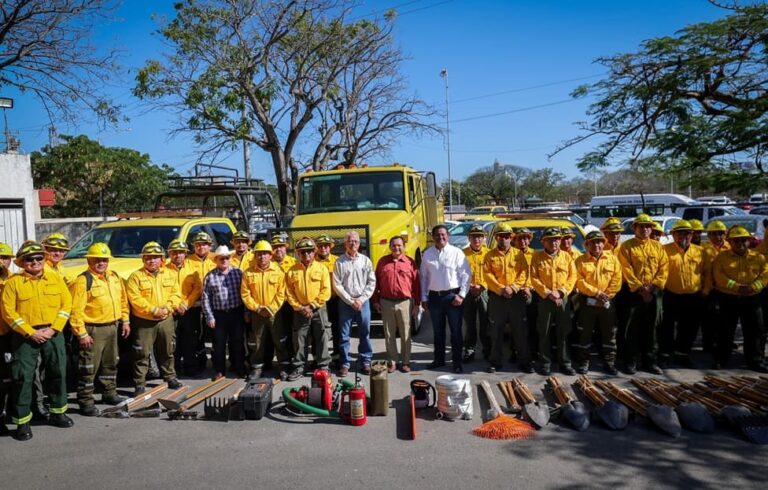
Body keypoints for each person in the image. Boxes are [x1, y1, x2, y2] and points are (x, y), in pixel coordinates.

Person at [1, 241, 73, 441]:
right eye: (29, 259)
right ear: (22, 262)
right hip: (25, 336)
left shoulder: (56, 279)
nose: (35, 262)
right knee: (22, 378)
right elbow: (8, 312)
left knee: (58, 371)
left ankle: (58, 413)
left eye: (39, 258)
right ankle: (22, 422)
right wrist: (30, 332)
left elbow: (66, 304)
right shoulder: (13, 283)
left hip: (53, 333)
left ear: (44, 259)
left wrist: (54, 329)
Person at [69, 243, 130, 416]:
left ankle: (109, 393)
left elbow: (123, 301)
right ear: (89, 260)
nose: (101, 263)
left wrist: (125, 320)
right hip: (92, 330)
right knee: (88, 367)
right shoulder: (83, 280)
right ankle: (86, 401)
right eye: (97, 260)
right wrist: (81, 333)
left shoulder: (114, 277)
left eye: (104, 260)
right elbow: (75, 311)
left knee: (111, 363)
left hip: (112, 327)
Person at [126, 242, 183, 395]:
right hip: (144, 321)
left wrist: (168, 308)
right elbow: (135, 299)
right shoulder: (136, 277)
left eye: (155, 258)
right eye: (148, 258)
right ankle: (140, 383)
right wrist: (153, 310)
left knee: (168, 350)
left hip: (166, 319)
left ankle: (170, 377)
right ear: (143, 260)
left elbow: (176, 294)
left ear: (162, 259)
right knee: (141, 353)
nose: (152, 261)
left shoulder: (169, 274)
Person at [617, 214, 669, 375]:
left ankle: (650, 361)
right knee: (632, 327)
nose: (645, 229)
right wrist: (641, 288)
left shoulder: (658, 247)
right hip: (634, 293)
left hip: (654, 292)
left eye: (648, 226)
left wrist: (652, 288)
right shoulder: (626, 247)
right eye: (641, 226)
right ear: (634, 228)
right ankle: (631, 361)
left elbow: (664, 269)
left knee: (652, 327)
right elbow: (626, 270)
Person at [712, 225, 768, 372]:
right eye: (736, 241)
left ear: (749, 241)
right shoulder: (721, 258)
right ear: (729, 242)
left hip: (752, 298)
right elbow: (719, 276)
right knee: (725, 330)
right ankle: (721, 359)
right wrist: (737, 287)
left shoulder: (758, 257)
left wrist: (753, 287)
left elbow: (765, 275)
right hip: (728, 298)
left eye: (744, 240)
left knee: (755, 330)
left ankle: (755, 360)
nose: (740, 244)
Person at [420, 225, 471, 373]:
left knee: (456, 331)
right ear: (433, 236)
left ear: (447, 236)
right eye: (437, 235)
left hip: (453, 297)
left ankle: (456, 362)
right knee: (438, 331)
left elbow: (466, 275)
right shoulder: (427, 254)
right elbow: (423, 277)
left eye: (443, 235)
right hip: (435, 298)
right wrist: (424, 297)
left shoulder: (457, 253)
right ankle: (439, 360)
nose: (440, 237)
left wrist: (461, 295)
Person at [483, 223, 532, 373]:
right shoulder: (489, 255)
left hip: (516, 297)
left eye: (506, 236)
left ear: (511, 238)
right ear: (496, 238)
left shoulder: (519, 254)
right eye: (500, 236)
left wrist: (514, 287)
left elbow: (524, 272)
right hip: (498, 297)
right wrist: (500, 288)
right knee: (495, 331)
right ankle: (495, 361)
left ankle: (524, 361)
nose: (504, 239)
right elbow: (487, 275)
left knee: (520, 331)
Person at [574, 231, 622, 375]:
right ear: (587, 244)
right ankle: (584, 361)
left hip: (607, 302)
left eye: (599, 242)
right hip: (587, 302)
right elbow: (579, 281)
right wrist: (597, 293)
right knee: (585, 332)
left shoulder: (612, 259)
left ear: (603, 243)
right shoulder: (580, 261)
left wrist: (606, 295)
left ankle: (609, 362)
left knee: (609, 333)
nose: (596, 244)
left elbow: (617, 279)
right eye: (593, 242)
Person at [530, 228, 577, 375]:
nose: (554, 242)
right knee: (544, 332)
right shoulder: (537, 257)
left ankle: (565, 362)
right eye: (550, 240)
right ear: (543, 241)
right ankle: (545, 363)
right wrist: (549, 293)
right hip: (545, 299)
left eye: (556, 239)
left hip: (563, 298)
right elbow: (534, 278)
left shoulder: (567, 257)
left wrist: (561, 292)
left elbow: (572, 276)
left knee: (564, 331)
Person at [285, 237, 331, 381]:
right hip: (300, 311)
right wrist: (300, 307)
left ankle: (323, 366)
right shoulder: (292, 271)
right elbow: (289, 292)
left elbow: (326, 290)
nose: (306, 255)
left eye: (309, 252)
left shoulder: (321, 268)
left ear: (314, 252)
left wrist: (311, 305)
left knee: (322, 336)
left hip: (318, 309)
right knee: (299, 338)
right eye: (303, 252)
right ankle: (299, 366)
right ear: (298, 254)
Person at [659, 220, 704, 369]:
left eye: (687, 233)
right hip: (671, 295)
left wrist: (706, 291)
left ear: (692, 235)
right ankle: (665, 355)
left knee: (689, 328)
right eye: (679, 233)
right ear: (673, 235)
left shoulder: (700, 252)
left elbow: (707, 273)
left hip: (694, 296)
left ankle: (682, 355)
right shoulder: (664, 250)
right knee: (666, 327)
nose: (683, 236)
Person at [373, 235, 420, 373]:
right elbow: (376, 283)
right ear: (390, 247)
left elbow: (417, 284)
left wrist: (417, 304)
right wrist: (375, 300)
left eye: (399, 245)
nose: (396, 248)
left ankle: (405, 362)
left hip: (404, 302)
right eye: (393, 245)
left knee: (406, 333)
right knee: (389, 334)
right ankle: (392, 361)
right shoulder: (382, 262)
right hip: (386, 302)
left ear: (404, 247)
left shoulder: (410, 263)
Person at [241, 240, 288, 379]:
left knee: (279, 340)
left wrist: (271, 308)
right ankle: (257, 368)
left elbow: (282, 293)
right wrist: (256, 308)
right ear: (255, 256)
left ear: (270, 256)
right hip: (257, 313)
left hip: (274, 313)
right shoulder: (248, 273)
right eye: (259, 254)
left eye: (265, 254)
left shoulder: (278, 271)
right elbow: (245, 293)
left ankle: (283, 367)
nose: (262, 257)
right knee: (257, 341)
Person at [333, 231, 376, 377]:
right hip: (346, 303)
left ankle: (365, 361)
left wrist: (361, 299)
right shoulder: (339, 262)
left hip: (363, 302)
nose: (353, 244)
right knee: (344, 335)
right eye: (350, 241)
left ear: (359, 244)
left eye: (356, 241)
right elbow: (337, 285)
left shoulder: (365, 261)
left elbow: (371, 282)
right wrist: (351, 301)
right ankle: (345, 364)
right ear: (345, 243)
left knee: (365, 333)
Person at [202, 245, 246, 380]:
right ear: (216, 260)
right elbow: (205, 298)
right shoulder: (210, 277)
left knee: (237, 342)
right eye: (221, 258)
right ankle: (219, 370)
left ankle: (239, 367)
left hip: (236, 312)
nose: (224, 260)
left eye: (227, 258)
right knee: (218, 345)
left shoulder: (238, 273)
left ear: (230, 258)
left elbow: (244, 294)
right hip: (219, 314)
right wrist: (209, 317)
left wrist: (246, 312)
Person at [165, 239, 203, 377]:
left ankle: (191, 368)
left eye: (181, 253)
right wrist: (175, 306)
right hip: (172, 311)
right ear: (169, 254)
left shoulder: (193, 268)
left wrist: (186, 304)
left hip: (189, 310)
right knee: (173, 343)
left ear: (185, 254)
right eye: (174, 253)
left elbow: (197, 288)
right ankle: (174, 370)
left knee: (190, 341)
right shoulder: (164, 270)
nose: (177, 255)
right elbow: (164, 292)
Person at [186, 231, 217, 371]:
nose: (201, 247)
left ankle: (217, 361)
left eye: (204, 244)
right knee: (197, 335)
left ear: (210, 246)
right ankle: (201, 360)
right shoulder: (188, 261)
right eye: (198, 245)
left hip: (214, 305)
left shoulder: (216, 259)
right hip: (195, 305)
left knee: (216, 333)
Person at [462, 224, 490, 363]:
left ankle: (487, 350)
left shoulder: (490, 254)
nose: (477, 239)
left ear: (484, 238)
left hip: (485, 292)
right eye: (474, 237)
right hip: (468, 292)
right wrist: (470, 286)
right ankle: (469, 350)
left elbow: (493, 273)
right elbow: (459, 274)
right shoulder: (462, 254)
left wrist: (482, 286)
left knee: (486, 323)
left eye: (479, 236)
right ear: (469, 238)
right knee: (469, 323)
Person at [315, 234, 340, 367]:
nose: (323, 248)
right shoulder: (312, 261)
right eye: (320, 246)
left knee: (336, 329)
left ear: (330, 247)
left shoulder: (337, 261)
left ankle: (337, 355)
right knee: (319, 330)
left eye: (326, 245)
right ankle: (318, 356)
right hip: (319, 301)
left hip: (334, 300)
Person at [513, 227, 537, 360]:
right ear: (514, 240)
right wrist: (519, 287)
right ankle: (514, 352)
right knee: (515, 326)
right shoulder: (511, 254)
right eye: (519, 238)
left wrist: (528, 287)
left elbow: (537, 275)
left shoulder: (536, 254)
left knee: (532, 325)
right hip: (515, 293)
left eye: (525, 238)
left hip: (533, 293)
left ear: (529, 240)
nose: (523, 241)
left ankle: (532, 352)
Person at [0, 242, 13, 434]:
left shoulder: (15, 280)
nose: (1, 262)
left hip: (11, 334)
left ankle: (8, 412)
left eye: (5, 258)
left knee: (9, 377)